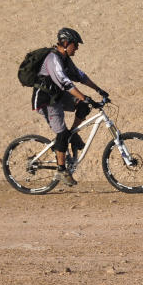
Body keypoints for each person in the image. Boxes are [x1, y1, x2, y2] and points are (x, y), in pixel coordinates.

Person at [32, 27, 109, 186]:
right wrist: (85, 97)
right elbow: (65, 83)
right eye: (76, 44)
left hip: (58, 97)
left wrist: (98, 90)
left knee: (83, 107)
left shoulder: (65, 58)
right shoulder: (53, 59)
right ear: (66, 43)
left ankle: (71, 135)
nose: (77, 48)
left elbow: (80, 76)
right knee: (61, 133)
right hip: (46, 101)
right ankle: (61, 170)